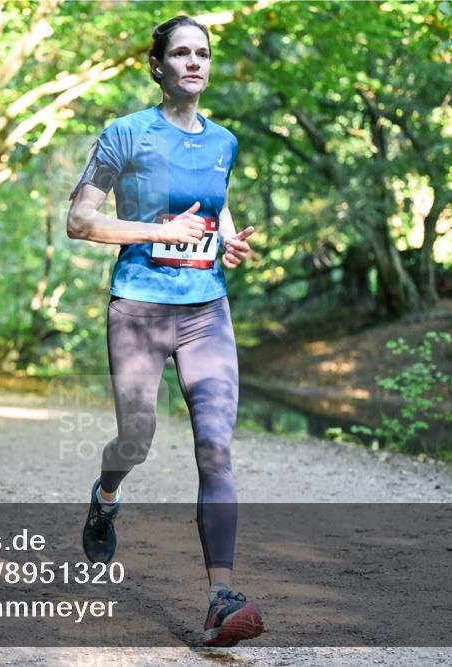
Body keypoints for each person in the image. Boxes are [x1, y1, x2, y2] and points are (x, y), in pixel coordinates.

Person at [66, 15, 263, 647]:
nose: (194, 63)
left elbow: (213, 203)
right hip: (140, 307)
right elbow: (80, 220)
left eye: (202, 53)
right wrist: (156, 232)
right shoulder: (125, 134)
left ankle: (220, 596)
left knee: (216, 447)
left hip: (206, 308)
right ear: (158, 66)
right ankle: (106, 492)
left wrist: (226, 239)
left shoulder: (224, 141)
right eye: (180, 53)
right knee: (137, 438)